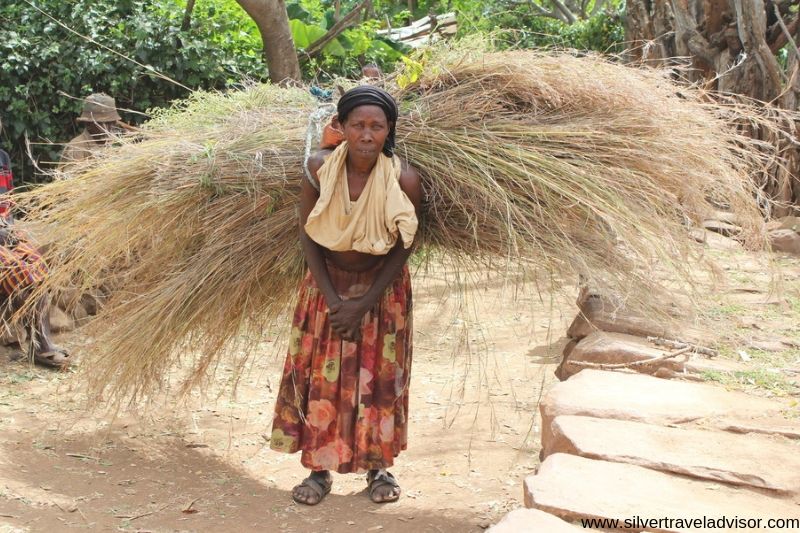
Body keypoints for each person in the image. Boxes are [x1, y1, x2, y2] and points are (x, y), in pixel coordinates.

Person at [270, 86, 423, 506]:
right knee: (322, 378)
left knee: (378, 381)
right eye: (358, 125)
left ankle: (379, 468)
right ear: (342, 128)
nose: (367, 135)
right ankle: (319, 471)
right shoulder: (318, 169)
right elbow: (307, 238)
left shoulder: (403, 178)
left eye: (377, 126)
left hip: (382, 294)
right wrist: (335, 300)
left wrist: (365, 301)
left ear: (389, 130)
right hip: (326, 290)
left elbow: (404, 246)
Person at [0, 146, 69, 368]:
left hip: (4, 233)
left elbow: (8, 207)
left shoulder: (2, 158)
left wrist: (8, 229)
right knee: (18, 269)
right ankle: (42, 346)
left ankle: (40, 342)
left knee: (36, 263)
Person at [59, 93, 123, 167]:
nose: (109, 128)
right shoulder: (77, 148)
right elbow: (71, 178)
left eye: (112, 123)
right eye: (104, 123)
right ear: (88, 124)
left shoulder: (109, 145)